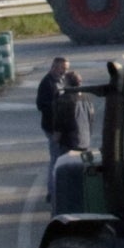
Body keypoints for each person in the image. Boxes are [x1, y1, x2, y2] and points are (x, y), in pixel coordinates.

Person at [37, 56, 77, 197]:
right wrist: (55, 123)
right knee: (56, 159)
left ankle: (58, 188)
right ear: (54, 67)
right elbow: (42, 105)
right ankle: (52, 191)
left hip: (60, 127)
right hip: (52, 128)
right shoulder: (47, 83)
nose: (65, 72)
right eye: (62, 68)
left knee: (61, 157)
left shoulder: (61, 80)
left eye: (66, 69)